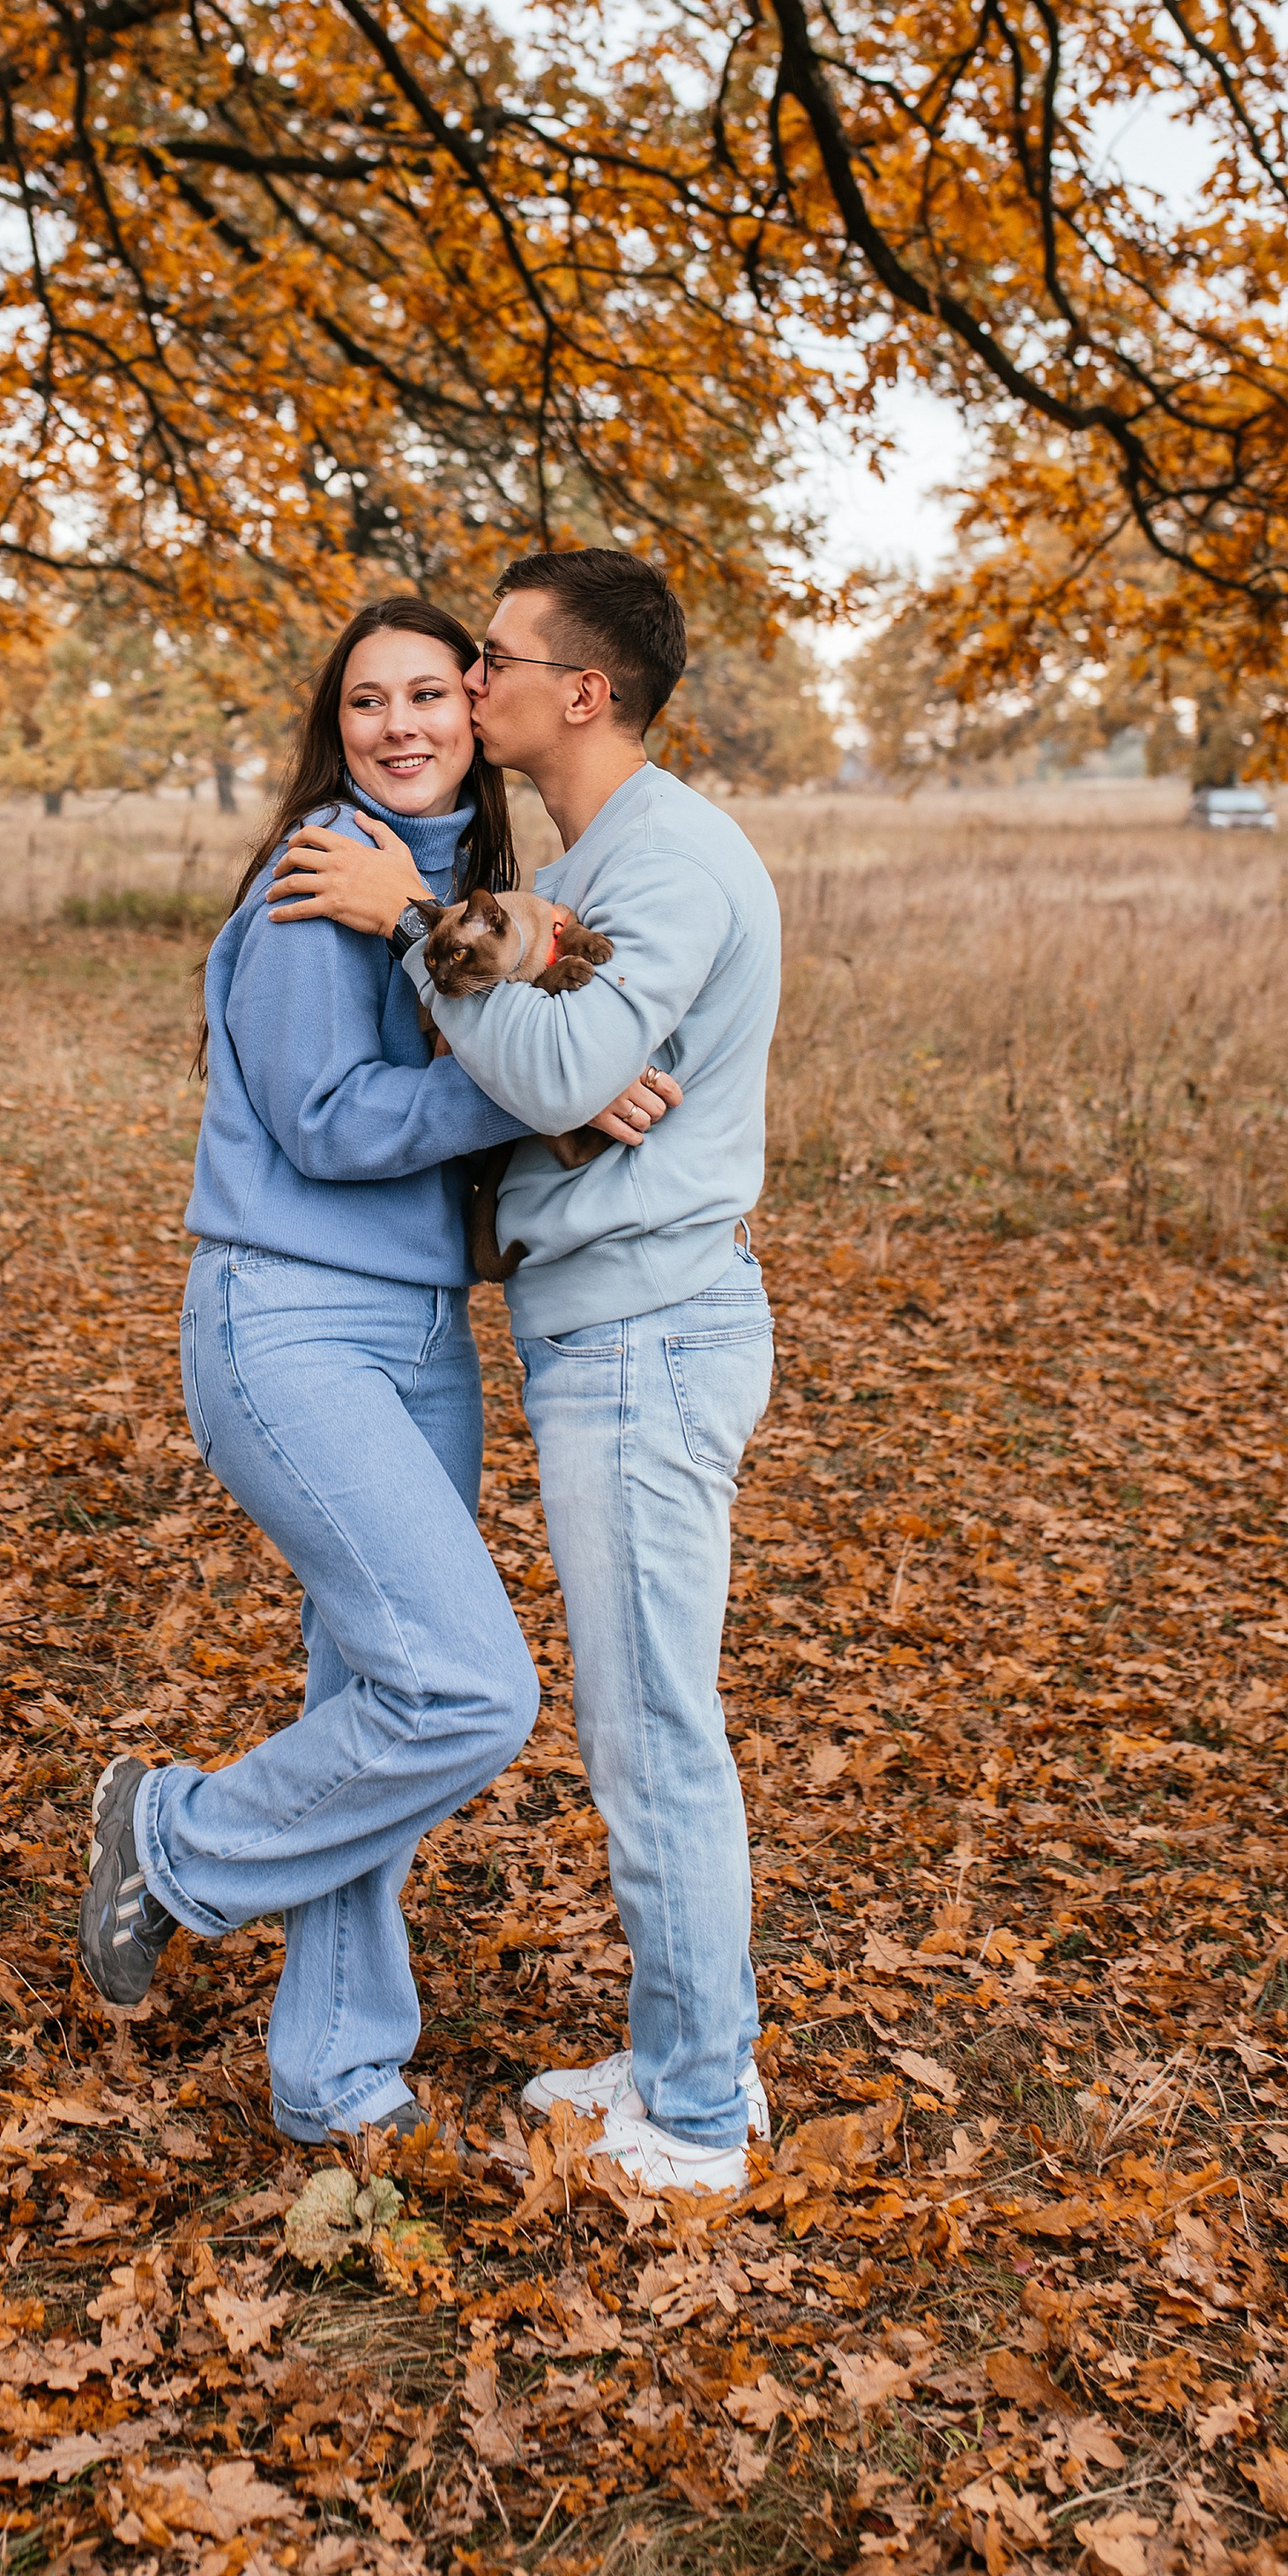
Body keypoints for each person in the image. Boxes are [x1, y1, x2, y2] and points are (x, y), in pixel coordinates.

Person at [73, 595, 674, 2142]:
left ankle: (335, 2081)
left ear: (480, 714)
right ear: (331, 734)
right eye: (365, 704)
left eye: (428, 694)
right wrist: (534, 1091)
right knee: (470, 1692)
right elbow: (335, 1125)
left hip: (421, 1337)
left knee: (375, 1689)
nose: (399, 725)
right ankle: (177, 1836)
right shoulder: (315, 884)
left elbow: (486, 1077)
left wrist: (559, 1092)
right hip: (288, 1323)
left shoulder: (444, 894)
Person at [265, 548, 779, 2194]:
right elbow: (559, 1078)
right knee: (644, 1725)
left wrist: (412, 916)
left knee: (648, 1736)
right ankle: (687, 2051)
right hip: (601, 1330)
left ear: (585, 693)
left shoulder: (671, 857)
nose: (462, 687)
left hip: (646, 1337)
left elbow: (558, 1055)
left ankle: (697, 2119)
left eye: (489, 662)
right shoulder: (601, 849)